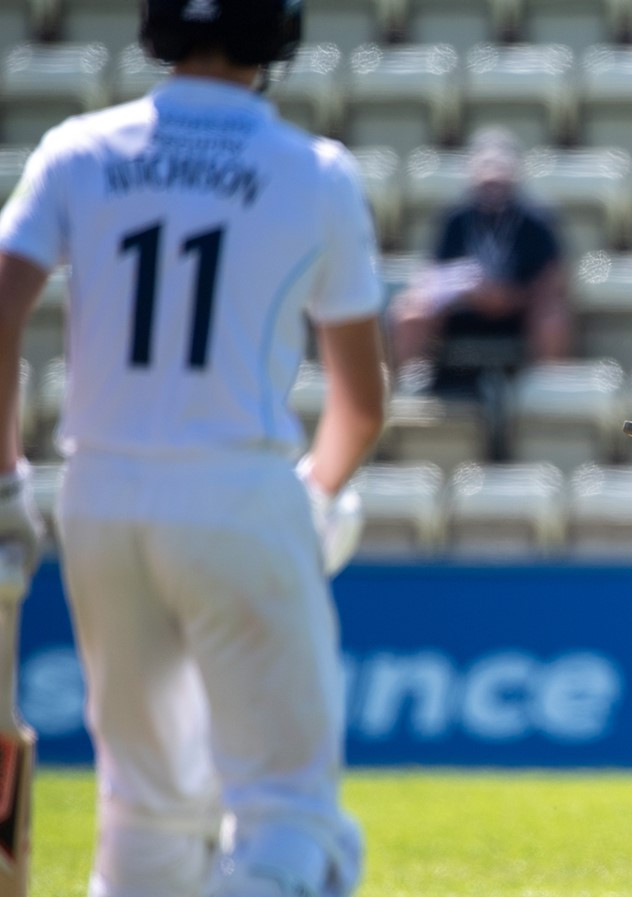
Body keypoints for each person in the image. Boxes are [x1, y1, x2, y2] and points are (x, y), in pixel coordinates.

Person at [0, 1, 387, 895]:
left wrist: (3, 478)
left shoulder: (78, 148)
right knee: (291, 816)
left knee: (141, 810)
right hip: (238, 489)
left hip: (95, 491)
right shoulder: (315, 172)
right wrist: (319, 497)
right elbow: (361, 403)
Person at [390, 125, 571, 393]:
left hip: (518, 313)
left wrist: (506, 297)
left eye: (500, 168)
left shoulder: (537, 221)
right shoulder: (455, 218)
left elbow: (553, 280)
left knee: (553, 318)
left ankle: (547, 397)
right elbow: (432, 273)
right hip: (462, 310)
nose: (492, 179)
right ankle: (401, 394)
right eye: (486, 167)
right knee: (408, 312)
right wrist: (462, 292)